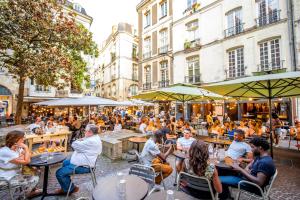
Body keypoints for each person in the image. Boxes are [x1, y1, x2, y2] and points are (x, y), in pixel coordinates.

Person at [55, 124, 102, 194]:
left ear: (90, 132)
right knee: (65, 163)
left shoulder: (91, 141)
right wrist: (81, 140)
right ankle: (67, 186)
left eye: (85, 131)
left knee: (59, 173)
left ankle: (69, 189)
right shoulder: (94, 137)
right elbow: (79, 145)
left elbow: (74, 144)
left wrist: (79, 140)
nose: (84, 132)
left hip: (85, 166)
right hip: (83, 162)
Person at [0, 131, 40, 197]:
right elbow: (27, 161)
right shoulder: (5, 151)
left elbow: (29, 154)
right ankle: (27, 193)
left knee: (37, 171)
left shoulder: (17, 148)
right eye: (22, 138)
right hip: (7, 178)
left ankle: (30, 191)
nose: (23, 140)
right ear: (15, 140)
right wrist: (26, 148)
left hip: (16, 173)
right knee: (34, 178)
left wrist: (23, 155)